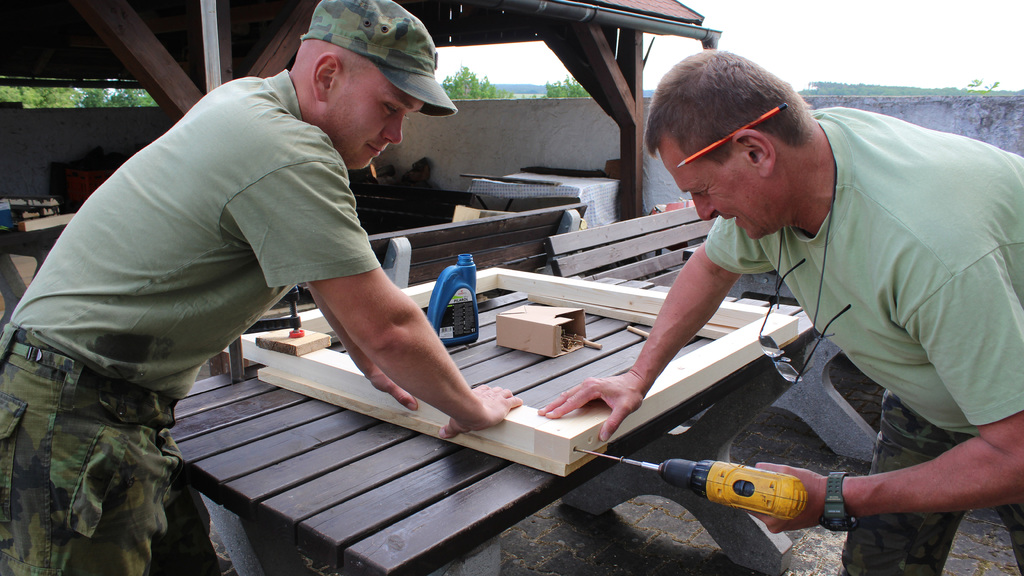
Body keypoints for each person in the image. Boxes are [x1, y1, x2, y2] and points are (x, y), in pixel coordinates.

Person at [0, 0, 522, 574]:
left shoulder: (245, 100)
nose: (397, 136)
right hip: (69, 414)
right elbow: (391, 327)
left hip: (103, 398)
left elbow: (322, 268)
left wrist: (365, 358)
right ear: (327, 75)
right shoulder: (287, 150)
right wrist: (471, 408)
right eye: (390, 107)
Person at [540, 49, 1024, 575]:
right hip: (931, 397)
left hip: (1014, 425)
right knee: (879, 564)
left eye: (702, 190)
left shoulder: (932, 251)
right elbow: (711, 267)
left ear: (756, 151)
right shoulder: (795, 170)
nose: (702, 212)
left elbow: (1015, 454)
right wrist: (637, 377)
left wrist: (839, 496)